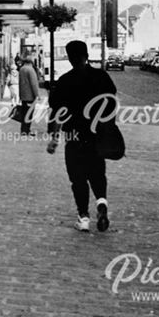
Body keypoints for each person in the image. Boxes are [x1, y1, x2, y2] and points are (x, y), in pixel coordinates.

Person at [47, 40, 118, 233]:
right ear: (86, 55)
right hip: (97, 136)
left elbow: (57, 112)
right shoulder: (101, 77)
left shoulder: (65, 81)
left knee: (78, 178)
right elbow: (112, 103)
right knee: (97, 173)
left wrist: (54, 138)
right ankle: (101, 205)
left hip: (74, 136)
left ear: (70, 58)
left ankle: (83, 217)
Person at [17, 56, 39, 136]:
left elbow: (20, 83)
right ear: (31, 62)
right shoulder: (30, 70)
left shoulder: (22, 69)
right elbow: (34, 83)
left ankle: (23, 130)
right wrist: (37, 95)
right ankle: (27, 130)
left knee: (24, 113)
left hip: (23, 95)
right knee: (29, 114)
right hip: (30, 96)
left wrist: (20, 95)